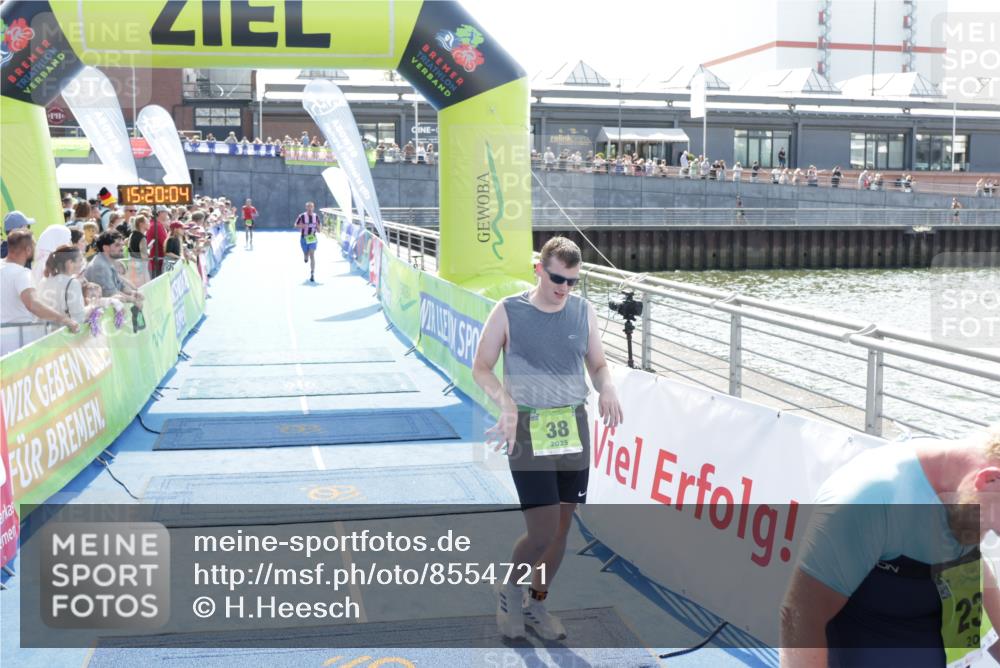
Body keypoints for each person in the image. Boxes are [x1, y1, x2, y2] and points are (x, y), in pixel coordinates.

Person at [472, 236, 623, 641]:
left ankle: (537, 603)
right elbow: (482, 367)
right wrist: (505, 403)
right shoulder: (508, 311)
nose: (564, 288)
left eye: (572, 281)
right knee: (540, 531)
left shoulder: (582, 311)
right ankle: (510, 590)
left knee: (561, 529)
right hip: (527, 427)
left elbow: (598, 363)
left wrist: (606, 385)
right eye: (557, 278)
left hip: (572, 424)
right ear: (539, 269)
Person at [780, 424, 1000, 667]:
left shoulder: (970, 494)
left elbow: (976, 573)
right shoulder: (868, 498)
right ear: (988, 479)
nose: (991, 535)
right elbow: (799, 616)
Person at [1, 229, 80, 355]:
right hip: (18, 344)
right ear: (28, 250)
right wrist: (64, 319)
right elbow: (33, 304)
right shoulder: (22, 274)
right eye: (34, 245)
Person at [84, 231, 145, 306]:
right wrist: (133, 299)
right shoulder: (100, 266)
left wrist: (133, 293)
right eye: (117, 245)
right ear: (105, 248)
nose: (122, 248)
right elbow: (111, 294)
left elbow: (121, 285)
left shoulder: (108, 261)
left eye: (122, 245)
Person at [37, 244, 87, 324]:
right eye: (80, 260)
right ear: (69, 263)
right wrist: (92, 309)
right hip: (63, 333)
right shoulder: (72, 283)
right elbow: (79, 317)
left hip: (44, 333)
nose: (82, 264)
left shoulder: (43, 281)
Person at [294, 201, 320, 282]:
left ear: (313, 207)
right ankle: (305, 256)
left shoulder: (316, 216)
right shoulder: (301, 216)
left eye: (311, 207)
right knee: (306, 254)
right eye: (308, 207)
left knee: (312, 254)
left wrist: (318, 228)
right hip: (304, 238)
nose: (309, 209)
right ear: (306, 208)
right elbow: (295, 225)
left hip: (312, 238)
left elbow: (319, 228)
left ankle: (312, 273)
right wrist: (302, 226)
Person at [146, 208, 170, 278]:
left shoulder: (153, 223)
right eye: (166, 212)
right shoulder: (157, 226)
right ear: (159, 213)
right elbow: (166, 245)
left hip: (154, 262)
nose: (167, 214)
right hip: (157, 264)